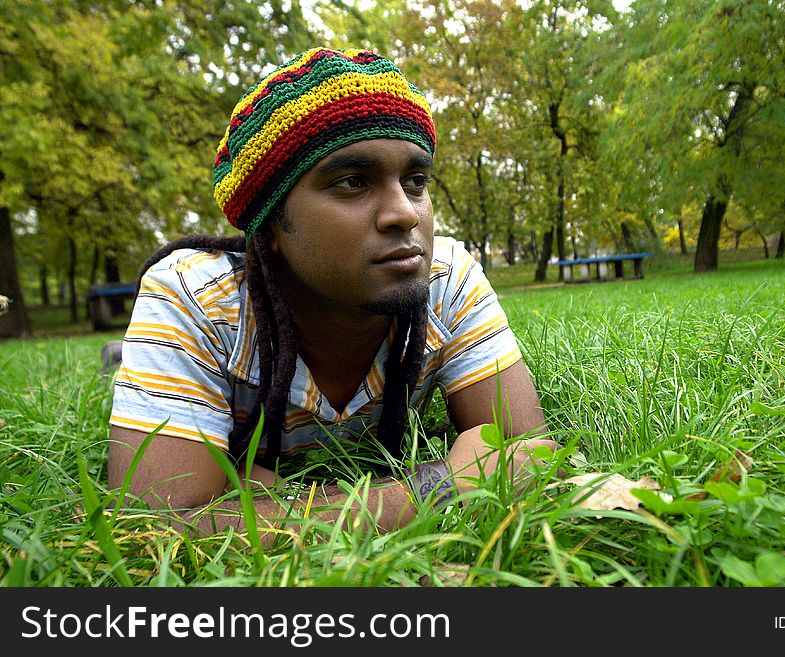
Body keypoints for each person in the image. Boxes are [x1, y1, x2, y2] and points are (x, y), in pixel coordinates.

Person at [107, 47, 558, 538]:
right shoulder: (192, 295)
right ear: (272, 224)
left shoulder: (446, 276)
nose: (405, 212)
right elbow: (158, 521)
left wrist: (269, 503)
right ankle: (126, 359)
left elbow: (527, 452)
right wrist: (435, 487)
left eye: (416, 180)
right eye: (351, 182)